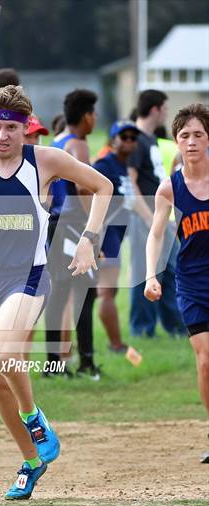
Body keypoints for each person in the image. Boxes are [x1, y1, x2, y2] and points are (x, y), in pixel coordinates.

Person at [0, 85, 113, 500]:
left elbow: (104, 186)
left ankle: (35, 417)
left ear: (25, 129)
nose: (1, 136)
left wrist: (89, 237)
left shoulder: (45, 160)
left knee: (3, 356)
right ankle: (32, 461)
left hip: (29, 275)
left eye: (10, 128)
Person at [144, 103, 209, 464]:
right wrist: (151, 275)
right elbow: (155, 235)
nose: (192, 141)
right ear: (176, 141)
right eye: (185, 135)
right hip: (192, 282)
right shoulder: (170, 188)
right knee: (205, 362)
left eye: (199, 134)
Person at [45, 89, 102, 380]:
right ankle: (87, 362)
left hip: (55, 224)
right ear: (87, 116)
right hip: (72, 225)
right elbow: (83, 188)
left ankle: (53, 363)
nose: (95, 120)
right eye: (94, 114)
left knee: (59, 293)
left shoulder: (56, 142)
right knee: (85, 292)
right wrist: (94, 229)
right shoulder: (78, 145)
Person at [128, 89, 184, 337]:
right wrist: (149, 219)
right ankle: (142, 330)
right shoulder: (135, 139)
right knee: (145, 273)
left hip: (159, 217)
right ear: (155, 109)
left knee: (171, 270)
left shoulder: (150, 139)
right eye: (165, 108)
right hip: (144, 218)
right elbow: (130, 184)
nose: (167, 113)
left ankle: (176, 327)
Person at [95, 120, 140, 352]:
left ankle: (71, 350)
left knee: (99, 293)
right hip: (106, 233)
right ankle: (116, 344)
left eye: (134, 138)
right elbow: (88, 193)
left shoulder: (123, 166)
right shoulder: (105, 164)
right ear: (113, 140)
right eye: (125, 137)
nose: (130, 142)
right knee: (106, 292)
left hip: (115, 234)